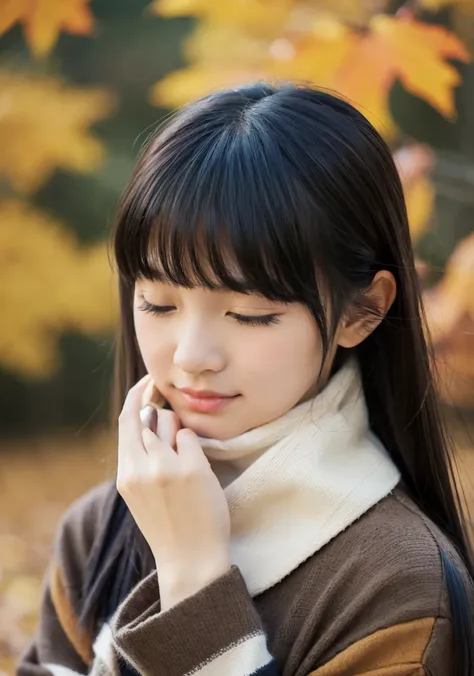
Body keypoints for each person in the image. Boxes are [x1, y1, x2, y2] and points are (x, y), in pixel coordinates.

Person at [17, 82, 474, 676]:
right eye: (157, 303)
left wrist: (194, 581)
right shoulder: (97, 531)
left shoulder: (397, 587)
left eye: (251, 314)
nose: (191, 356)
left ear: (364, 311)